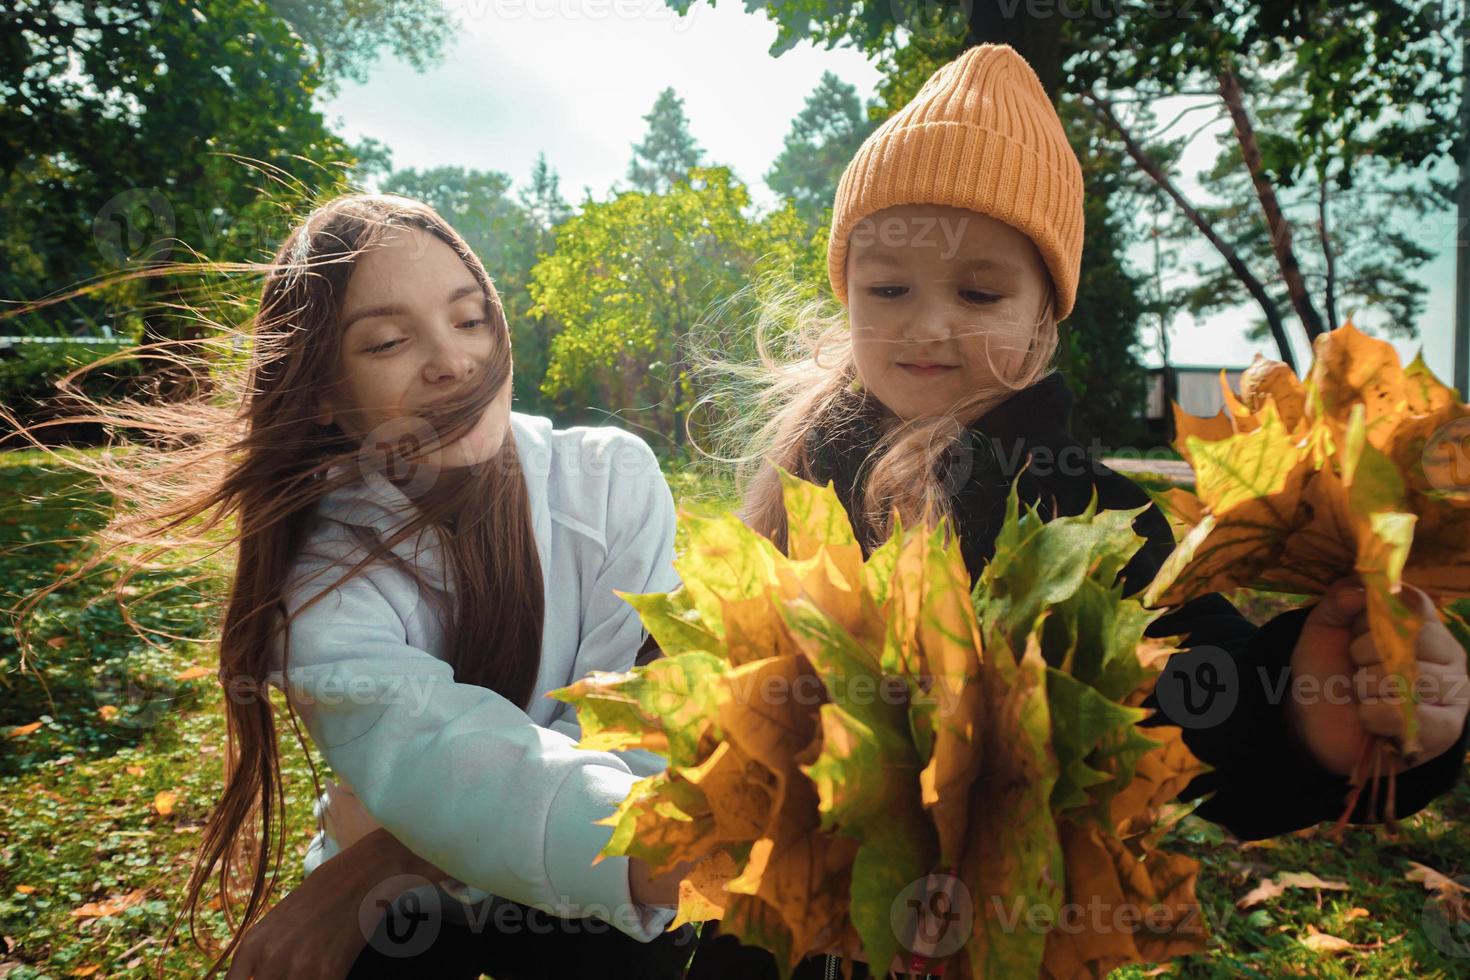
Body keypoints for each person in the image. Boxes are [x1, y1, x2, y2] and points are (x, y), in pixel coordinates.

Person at [683, 44, 1470, 980]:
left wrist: (1305, 709)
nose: (928, 323)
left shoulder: (1088, 511)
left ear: (1042, 315)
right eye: (887, 288)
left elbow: (1191, 691)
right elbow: (697, 672)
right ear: (845, 295)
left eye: (980, 291)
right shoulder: (800, 480)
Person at [16, 193, 700, 979]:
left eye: (471, 319)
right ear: (326, 398)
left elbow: (635, 726)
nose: (452, 359)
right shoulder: (323, 573)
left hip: (585, 869)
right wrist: (393, 864)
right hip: (444, 893)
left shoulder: (610, 479)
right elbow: (427, 754)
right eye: (387, 341)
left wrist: (376, 862)